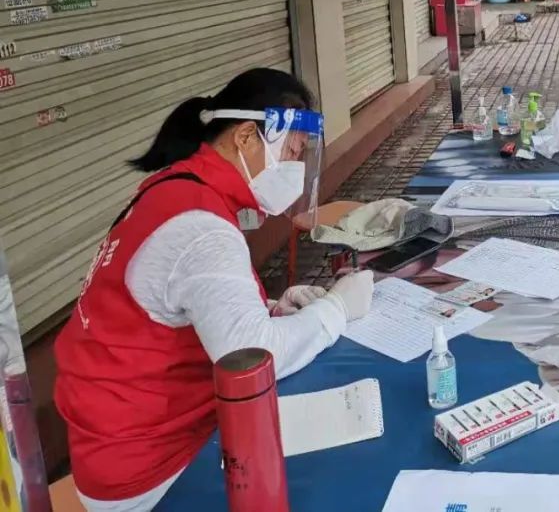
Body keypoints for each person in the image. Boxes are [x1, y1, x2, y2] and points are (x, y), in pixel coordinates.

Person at [54, 68, 376, 511]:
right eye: (291, 153)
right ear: (246, 137)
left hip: (112, 445)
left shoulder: (173, 190)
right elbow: (256, 356)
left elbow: (175, 304)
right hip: (153, 471)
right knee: (343, 478)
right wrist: (338, 308)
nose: (295, 170)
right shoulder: (202, 228)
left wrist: (266, 307)